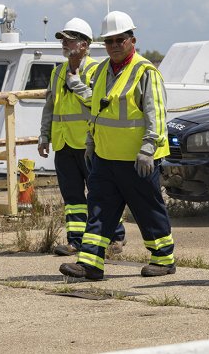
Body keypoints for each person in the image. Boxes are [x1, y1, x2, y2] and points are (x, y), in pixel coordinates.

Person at [59, 11, 175, 280]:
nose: (113, 45)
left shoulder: (146, 72)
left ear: (132, 40)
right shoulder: (100, 71)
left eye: (119, 40)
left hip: (137, 159)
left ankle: (163, 258)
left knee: (148, 209)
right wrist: (90, 143)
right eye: (108, 41)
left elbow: (156, 114)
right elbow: (97, 110)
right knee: (99, 209)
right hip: (105, 157)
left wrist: (148, 149)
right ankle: (89, 263)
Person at [38, 18, 126, 256]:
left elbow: (97, 103)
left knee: (101, 194)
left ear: (85, 45)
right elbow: (50, 107)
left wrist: (75, 83)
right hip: (63, 143)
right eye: (63, 39)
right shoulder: (57, 72)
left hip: (90, 144)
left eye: (70, 39)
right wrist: (44, 136)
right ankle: (75, 240)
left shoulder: (97, 70)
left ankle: (114, 237)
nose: (64, 43)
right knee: (73, 197)